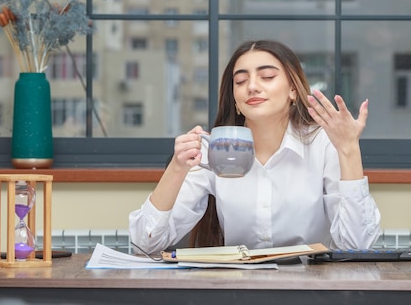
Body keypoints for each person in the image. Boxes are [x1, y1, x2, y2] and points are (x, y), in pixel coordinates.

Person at [129, 40, 381, 254]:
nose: (251, 86)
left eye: (267, 76)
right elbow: (145, 244)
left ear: (293, 90)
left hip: (310, 288)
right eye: (240, 81)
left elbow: (358, 246)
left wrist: (348, 149)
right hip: (237, 289)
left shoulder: (323, 143)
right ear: (236, 100)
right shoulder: (215, 148)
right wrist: (176, 167)